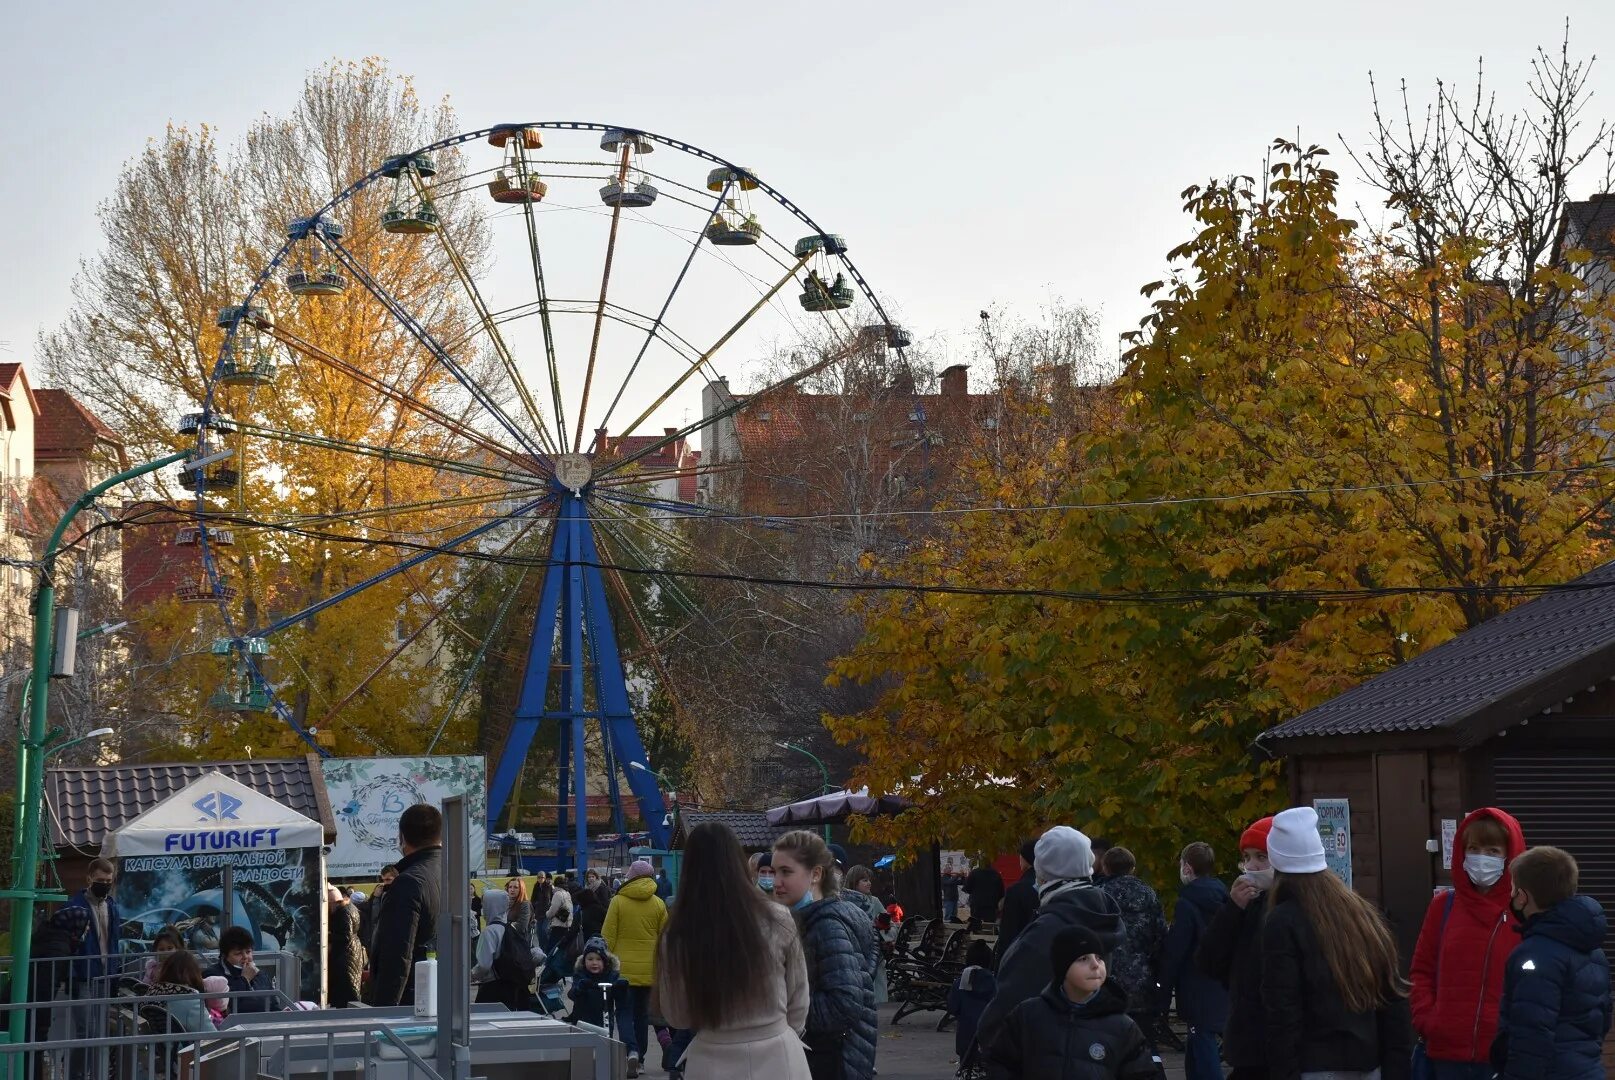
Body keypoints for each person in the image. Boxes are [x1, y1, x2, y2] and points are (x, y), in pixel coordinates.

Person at [1261, 806, 1413, 1080]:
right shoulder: (1360, 914)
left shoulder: (1283, 922)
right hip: (1369, 1062)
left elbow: (1283, 1011)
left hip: (1314, 1065)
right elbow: (1392, 998)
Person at [656, 822, 811, 1080]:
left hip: (711, 1060)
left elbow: (678, 1016)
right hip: (779, 1056)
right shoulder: (777, 917)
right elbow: (799, 997)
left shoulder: (678, 933)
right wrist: (785, 1030)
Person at [979, 825, 1124, 1049]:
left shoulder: (1048, 930)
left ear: (1044, 871)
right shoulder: (1101, 914)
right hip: (1091, 1050)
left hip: (1047, 1051)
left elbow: (1009, 1004)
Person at [1409, 808, 1525, 1080]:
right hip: (1446, 1057)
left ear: (1511, 856)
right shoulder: (1443, 907)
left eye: (1493, 851)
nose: (1482, 858)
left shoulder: (1523, 912)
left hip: (1502, 1058)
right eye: (1474, 848)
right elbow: (1421, 972)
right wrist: (1429, 1021)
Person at [1491, 845, 1612, 1080]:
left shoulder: (1535, 954)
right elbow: (1603, 1017)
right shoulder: (1593, 950)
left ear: (1523, 897)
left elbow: (1530, 1034)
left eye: (1514, 888)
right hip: (1588, 1070)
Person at [985, 924, 1165, 1080]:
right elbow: (1001, 1063)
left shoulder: (1122, 1027)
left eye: (1099, 957)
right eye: (1083, 959)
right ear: (1063, 967)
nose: (1095, 965)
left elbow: (1142, 1074)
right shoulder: (1028, 1015)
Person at [773, 829, 877, 1080]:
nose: (776, 882)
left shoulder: (826, 925)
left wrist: (779, 1007)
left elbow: (843, 1004)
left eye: (786, 872)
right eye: (775, 871)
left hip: (832, 1061)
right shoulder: (810, 919)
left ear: (816, 874)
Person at [1196, 815, 1273, 1080]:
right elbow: (1208, 961)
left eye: (1261, 857)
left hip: (1275, 1045)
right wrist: (1232, 909)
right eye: (1247, 857)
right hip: (1248, 1041)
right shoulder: (1247, 906)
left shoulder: (1290, 909)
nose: (1251, 866)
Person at [1162, 841, 1230, 1080]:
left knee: (1202, 1042)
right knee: (1201, 1040)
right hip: (1222, 980)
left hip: (1196, 981)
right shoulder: (1227, 897)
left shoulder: (1187, 903)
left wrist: (1163, 984)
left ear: (1187, 868)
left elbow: (1176, 949)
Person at [367, 803, 443, 1006]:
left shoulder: (408, 882)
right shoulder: (451, 872)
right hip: (443, 995)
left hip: (413, 1002)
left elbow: (397, 957)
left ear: (402, 837)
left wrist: (383, 1015)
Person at [604, 859, 669, 1077]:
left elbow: (607, 937)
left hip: (622, 970)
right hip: (649, 971)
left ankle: (630, 1050)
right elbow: (664, 939)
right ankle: (640, 1060)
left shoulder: (618, 901)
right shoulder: (659, 904)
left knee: (623, 1012)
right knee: (642, 1015)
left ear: (630, 876)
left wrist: (605, 963)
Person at [1098, 847, 1169, 1043]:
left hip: (1106, 977)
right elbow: (1161, 934)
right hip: (1142, 976)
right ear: (1132, 868)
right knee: (1142, 1042)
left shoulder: (1099, 894)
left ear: (1105, 867)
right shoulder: (1148, 894)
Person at [30, 906, 89, 1079]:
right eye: (85, 926)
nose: (87, 930)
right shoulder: (58, 949)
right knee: (31, 1052)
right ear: (75, 925)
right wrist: (42, 1023)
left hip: (26, 1011)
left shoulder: (51, 940)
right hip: (30, 1014)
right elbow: (44, 988)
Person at [471, 887, 533, 1009]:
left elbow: (484, 965)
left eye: (485, 905)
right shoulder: (510, 927)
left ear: (491, 906)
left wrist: (471, 975)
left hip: (492, 988)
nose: (483, 909)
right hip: (511, 986)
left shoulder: (489, 932)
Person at [842, 865, 891, 1004]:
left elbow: (891, 927)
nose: (869, 883)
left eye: (869, 880)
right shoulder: (842, 902)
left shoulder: (874, 901)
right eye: (864, 880)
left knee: (877, 1002)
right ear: (854, 881)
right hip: (852, 957)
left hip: (874, 957)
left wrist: (882, 929)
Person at [567, 936, 633, 1038]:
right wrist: (580, 988)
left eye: (598, 959)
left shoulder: (610, 976)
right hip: (583, 1021)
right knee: (583, 1049)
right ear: (584, 961)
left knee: (605, 1044)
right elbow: (572, 994)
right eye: (590, 959)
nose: (594, 963)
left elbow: (620, 999)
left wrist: (621, 988)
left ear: (605, 961)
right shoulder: (580, 975)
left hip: (604, 1020)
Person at [204, 925, 277, 1013]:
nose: (245, 957)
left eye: (248, 952)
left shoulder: (260, 975)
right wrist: (244, 979)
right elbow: (224, 1005)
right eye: (238, 953)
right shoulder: (213, 975)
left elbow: (274, 1005)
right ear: (225, 955)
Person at [145, 949, 218, 1033]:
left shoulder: (151, 991)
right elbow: (212, 1037)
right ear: (194, 973)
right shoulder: (192, 1003)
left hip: (156, 1044)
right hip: (185, 1046)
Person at [949, 939, 998, 1066]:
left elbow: (953, 1008)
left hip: (965, 1041)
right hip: (989, 1042)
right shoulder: (994, 984)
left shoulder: (959, 983)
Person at [995, 841, 1039, 966]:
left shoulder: (1017, 890)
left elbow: (1008, 934)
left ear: (1025, 859)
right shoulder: (1052, 887)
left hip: (1021, 959)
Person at [327, 885, 366, 1008]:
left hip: (346, 956)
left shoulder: (343, 912)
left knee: (346, 990)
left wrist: (326, 936)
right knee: (350, 988)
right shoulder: (349, 908)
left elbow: (345, 936)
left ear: (332, 902)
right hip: (352, 952)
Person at [361, 863, 400, 954]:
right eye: (383, 880)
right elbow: (370, 912)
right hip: (378, 936)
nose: (385, 883)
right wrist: (375, 897)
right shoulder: (380, 892)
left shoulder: (400, 892)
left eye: (388, 880)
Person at [964, 859, 1006, 931]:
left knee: (975, 926)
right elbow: (1001, 892)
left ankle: (977, 939)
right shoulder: (996, 874)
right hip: (991, 906)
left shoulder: (974, 873)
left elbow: (967, 889)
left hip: (977, 906)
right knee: (989, 927)